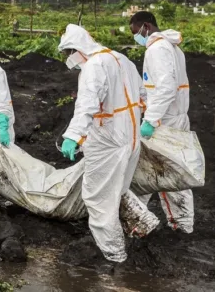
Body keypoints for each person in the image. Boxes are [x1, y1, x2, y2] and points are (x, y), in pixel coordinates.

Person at [58, 24, 144, 263]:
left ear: (77, 49)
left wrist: (73, 136)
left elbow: (87, 104)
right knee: (118, 191)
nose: (69, 59)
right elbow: (143, 95)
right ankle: (134, 233)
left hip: (108, 142)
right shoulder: (121, 59)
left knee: (98, 199)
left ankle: (114, 253)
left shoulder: (94, 66)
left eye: (69, 53)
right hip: (131, 138)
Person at [130, 11, 194, 233]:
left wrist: (150, 119)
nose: (136, 37)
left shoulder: (158, 49)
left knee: (157, 171)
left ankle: (142, 221)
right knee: (165, 170)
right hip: (173, 116)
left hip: (164, 121)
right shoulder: (171, 47)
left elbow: (166, 88)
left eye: (136, 32)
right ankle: (176, 223)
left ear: (146, 26)